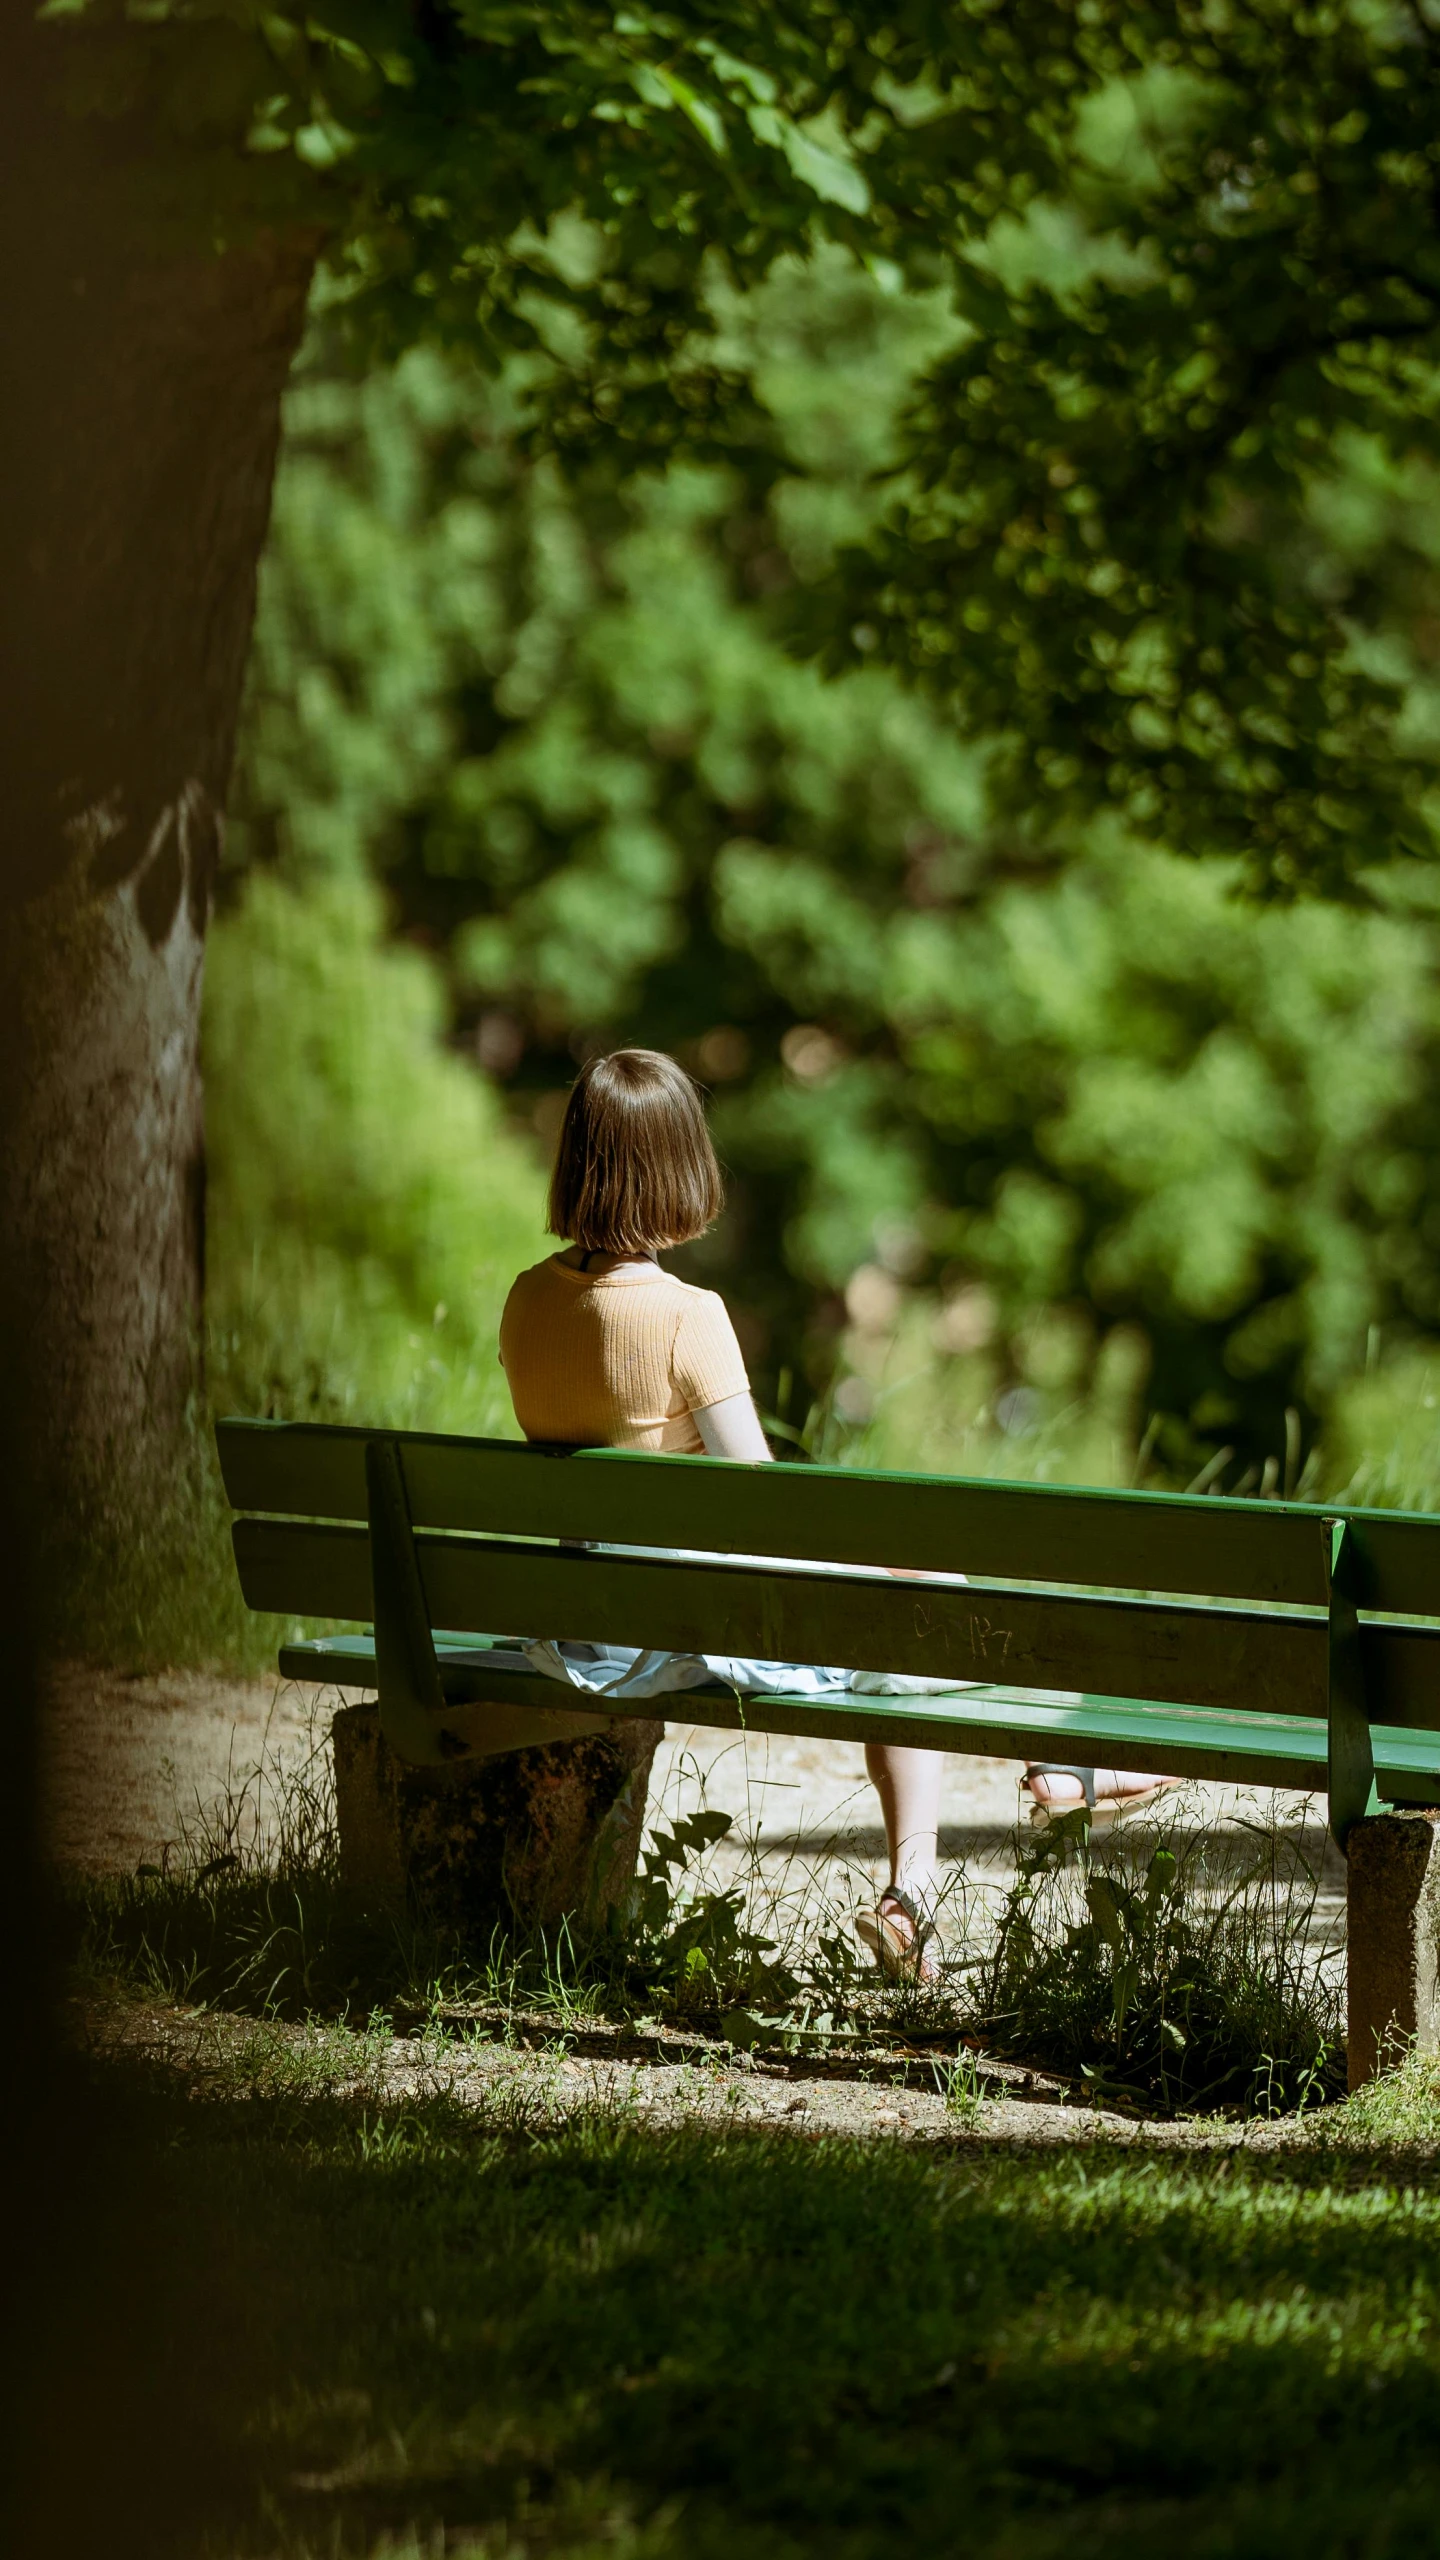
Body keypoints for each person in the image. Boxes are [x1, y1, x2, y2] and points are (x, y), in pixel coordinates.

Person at [498, 1048, 1171, 1978]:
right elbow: (769, 1514)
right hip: (677, 1627)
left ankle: (932, 1886)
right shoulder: (686, 1314)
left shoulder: (528, 1299)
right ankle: (1026, 1795)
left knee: (903, 1595)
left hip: (577, 1627)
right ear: (678, 1165)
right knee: (921, 1594)